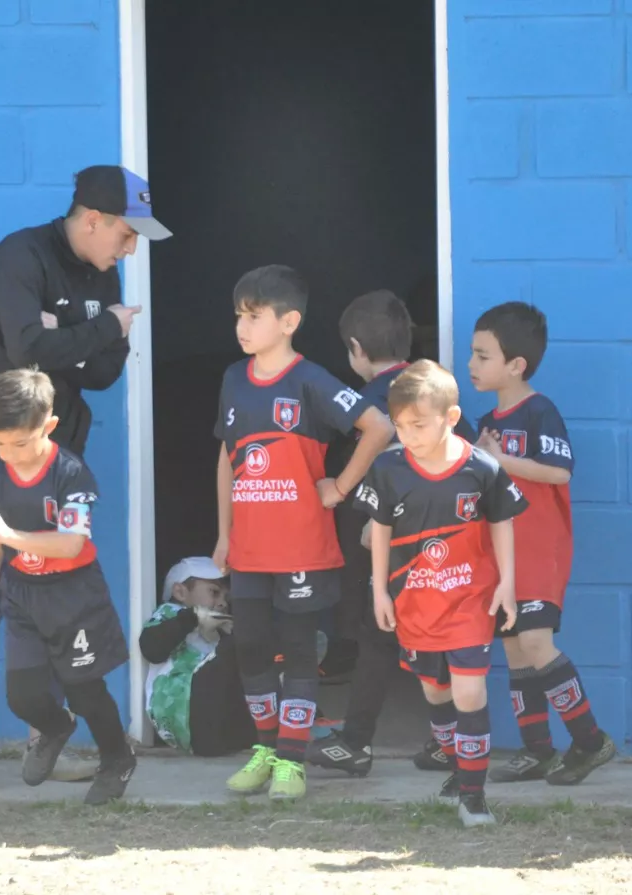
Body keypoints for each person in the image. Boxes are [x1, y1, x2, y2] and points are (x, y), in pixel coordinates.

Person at [0, 165, 170, 790]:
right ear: (93, 219)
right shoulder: (20, 255)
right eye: (127, 235)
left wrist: (66, 337)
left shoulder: (104, 270)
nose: (130, 249)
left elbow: (102, 373)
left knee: (48, 587)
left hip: (57, 447)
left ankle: (48, 730)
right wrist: (100, 330)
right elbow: (26, 351)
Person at [211, 264, 394, 801]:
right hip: (247, 548)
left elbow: (377, 427)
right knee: (249, 646)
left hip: (301, 549)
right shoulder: (232, 379)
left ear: (288, 321)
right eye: (238, 316)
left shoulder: (310, 379)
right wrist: (223, 533)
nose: (242, 327)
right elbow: (226, 458)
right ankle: (265, 748)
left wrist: (339, 486)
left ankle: (292, 758)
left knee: (297, 650)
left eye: (254, 316)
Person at [308, 289, 476, 778]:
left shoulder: (368, 405)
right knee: (431, 639)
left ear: (357, 349)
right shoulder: (433, 394)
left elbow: (384, 469)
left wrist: (342, 493)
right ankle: (447, 744)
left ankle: (358, 742)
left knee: (378, 634)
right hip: (445, 545)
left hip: (388, 542)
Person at [355, 360, 528, 826]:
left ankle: (474, 795)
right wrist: (380, 591)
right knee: (436, 692)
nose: (407, 434)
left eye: (418, 424)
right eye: (399, 424)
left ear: (450, 418)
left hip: (470, 598)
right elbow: (380, 531)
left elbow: (501, 523)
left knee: (470, 693)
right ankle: (457, 766)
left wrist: (507, 583)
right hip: (413, 600)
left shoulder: (481, 467)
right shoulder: (389, 468)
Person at [0, 368, 136, 804]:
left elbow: (70, 543)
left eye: (21, 443)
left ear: (49, 426)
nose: (10, 454)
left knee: (85, 689)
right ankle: (56, 728)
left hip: (74, 595)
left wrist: (10, 537)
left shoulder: (71, 473)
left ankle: (118, 758)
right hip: (22, 592)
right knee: (22, 696)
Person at [469, 302, 615, 786]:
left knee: (535, 641)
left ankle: (591, 741)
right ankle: (538, 751)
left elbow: (559, 471)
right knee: (513, 649)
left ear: (516, 365)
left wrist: (499, 459)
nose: (472, 364)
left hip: (539, 549)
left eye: (482, 355)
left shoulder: (539, 411)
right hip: (502, 553)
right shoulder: (486, 418)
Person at [139, 557, 254, 757]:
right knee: (240, 648)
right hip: (182, 713)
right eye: (214, 592)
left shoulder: (221, 627)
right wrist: (192, 618)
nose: (222, 603)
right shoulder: (170, 613)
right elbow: (151, 649)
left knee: (250, 661)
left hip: (216, 724)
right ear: (180, 592)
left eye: (225, 597)